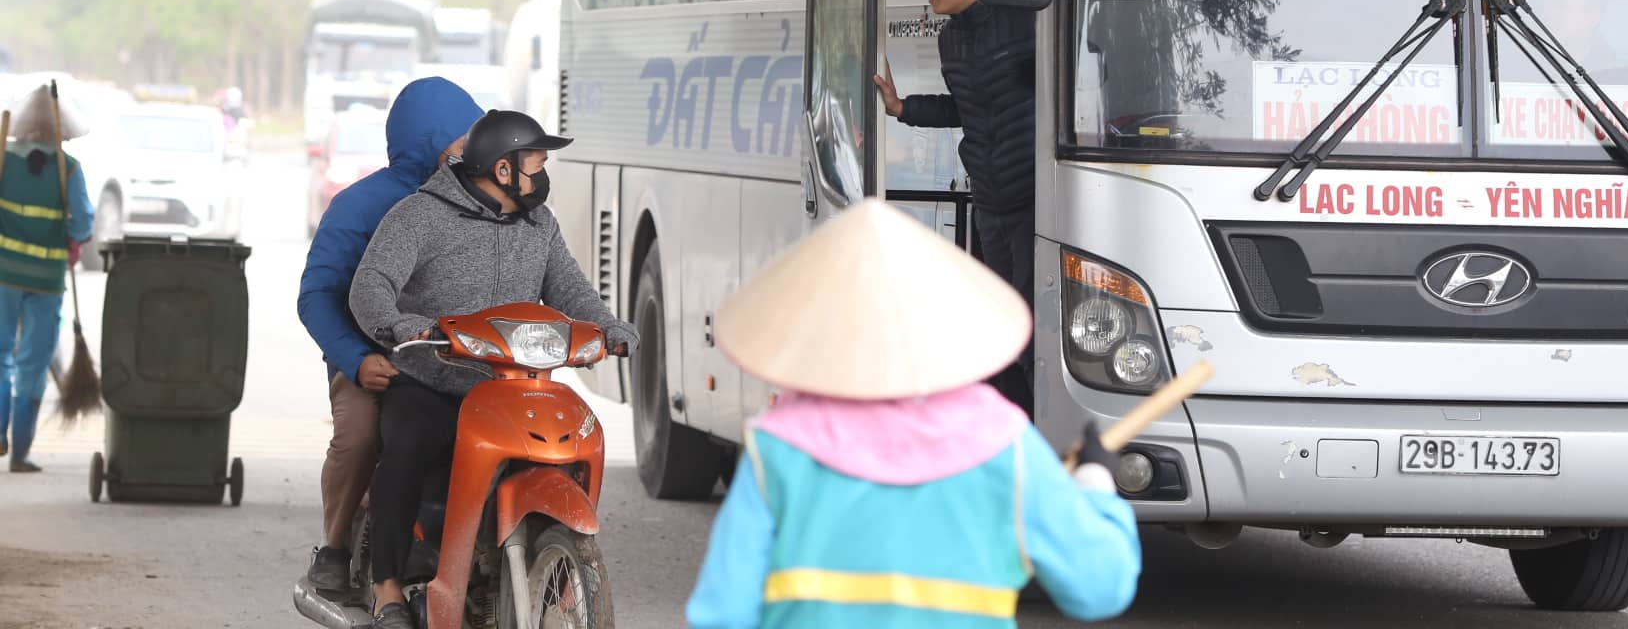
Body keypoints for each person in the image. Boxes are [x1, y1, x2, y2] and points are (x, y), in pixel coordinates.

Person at [686, 198, 1141, 628]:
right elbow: (1099, 586)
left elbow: (723, 614)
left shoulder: (779, 449)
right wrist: (1094, 484)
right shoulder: (1004, 444)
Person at [349, 109, 639, 629]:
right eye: (537, 163)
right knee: (408, 448)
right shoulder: (420, 215)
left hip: (515, 387)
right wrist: (399, 326)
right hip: (433, 380)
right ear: (503, 170)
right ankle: (388, 590)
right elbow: (370, 286)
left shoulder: (539, 225)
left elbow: (570, 290)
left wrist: (610, 328)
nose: (544, 173)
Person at [294, 77, 483, 599]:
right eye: (463, 141)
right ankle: (334, 547)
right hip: (371, 358)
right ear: (430, 141)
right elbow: (316, 295)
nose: (476, 152)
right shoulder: (361, 205)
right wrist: (355, 360)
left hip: (455, 357)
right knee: (360, 437)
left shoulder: (484, 202)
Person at [873, 0, 1037, 406]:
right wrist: (903, 109)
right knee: (997, 335)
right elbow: (965, 109)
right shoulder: (951, 41)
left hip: (1031, 207)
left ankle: (1035, 445)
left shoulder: (1025, 25)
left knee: (1029, 333)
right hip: (989, 207)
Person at [0, 84, 94, 473]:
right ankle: (20, 454)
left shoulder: (2, 159)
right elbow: (85, 224)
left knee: (0, 356)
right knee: (33, 366)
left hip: (3, 277)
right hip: (47, 281)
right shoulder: (68, 168)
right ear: (61, 131)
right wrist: (72, 236)